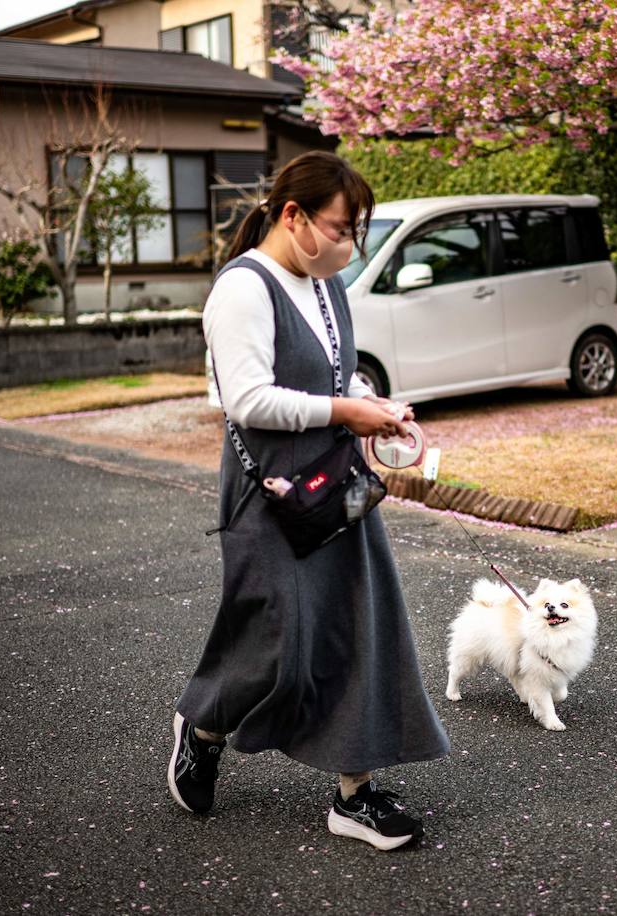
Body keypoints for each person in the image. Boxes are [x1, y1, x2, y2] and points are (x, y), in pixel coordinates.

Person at [168, 151, 450, 851]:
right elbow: (248, 399)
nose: (350, 248)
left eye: (358, 231)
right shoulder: (243, 289)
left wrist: (371, 405)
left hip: (334, 485)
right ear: (293, 216)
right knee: (276, 645)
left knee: (359, 624)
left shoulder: (321, 284)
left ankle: (355, 795)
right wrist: (344, 414)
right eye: (342, 229)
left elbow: (335, 371)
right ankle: (204, 726)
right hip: (269, 496)